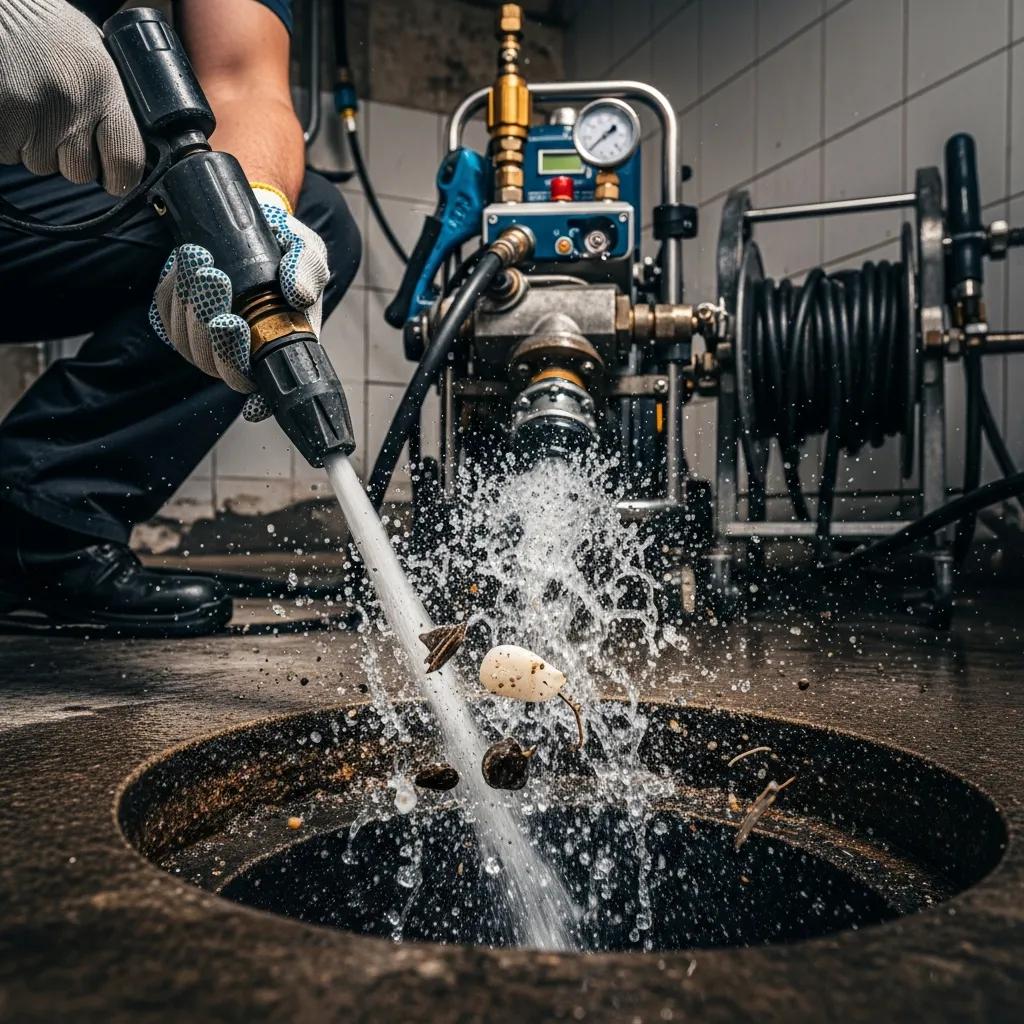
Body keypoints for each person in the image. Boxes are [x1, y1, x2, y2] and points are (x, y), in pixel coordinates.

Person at [0, 0, 361, 635]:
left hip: (30, 200)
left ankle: (40, 522)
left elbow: (245, 80)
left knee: (310, 223)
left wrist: (252, 227)